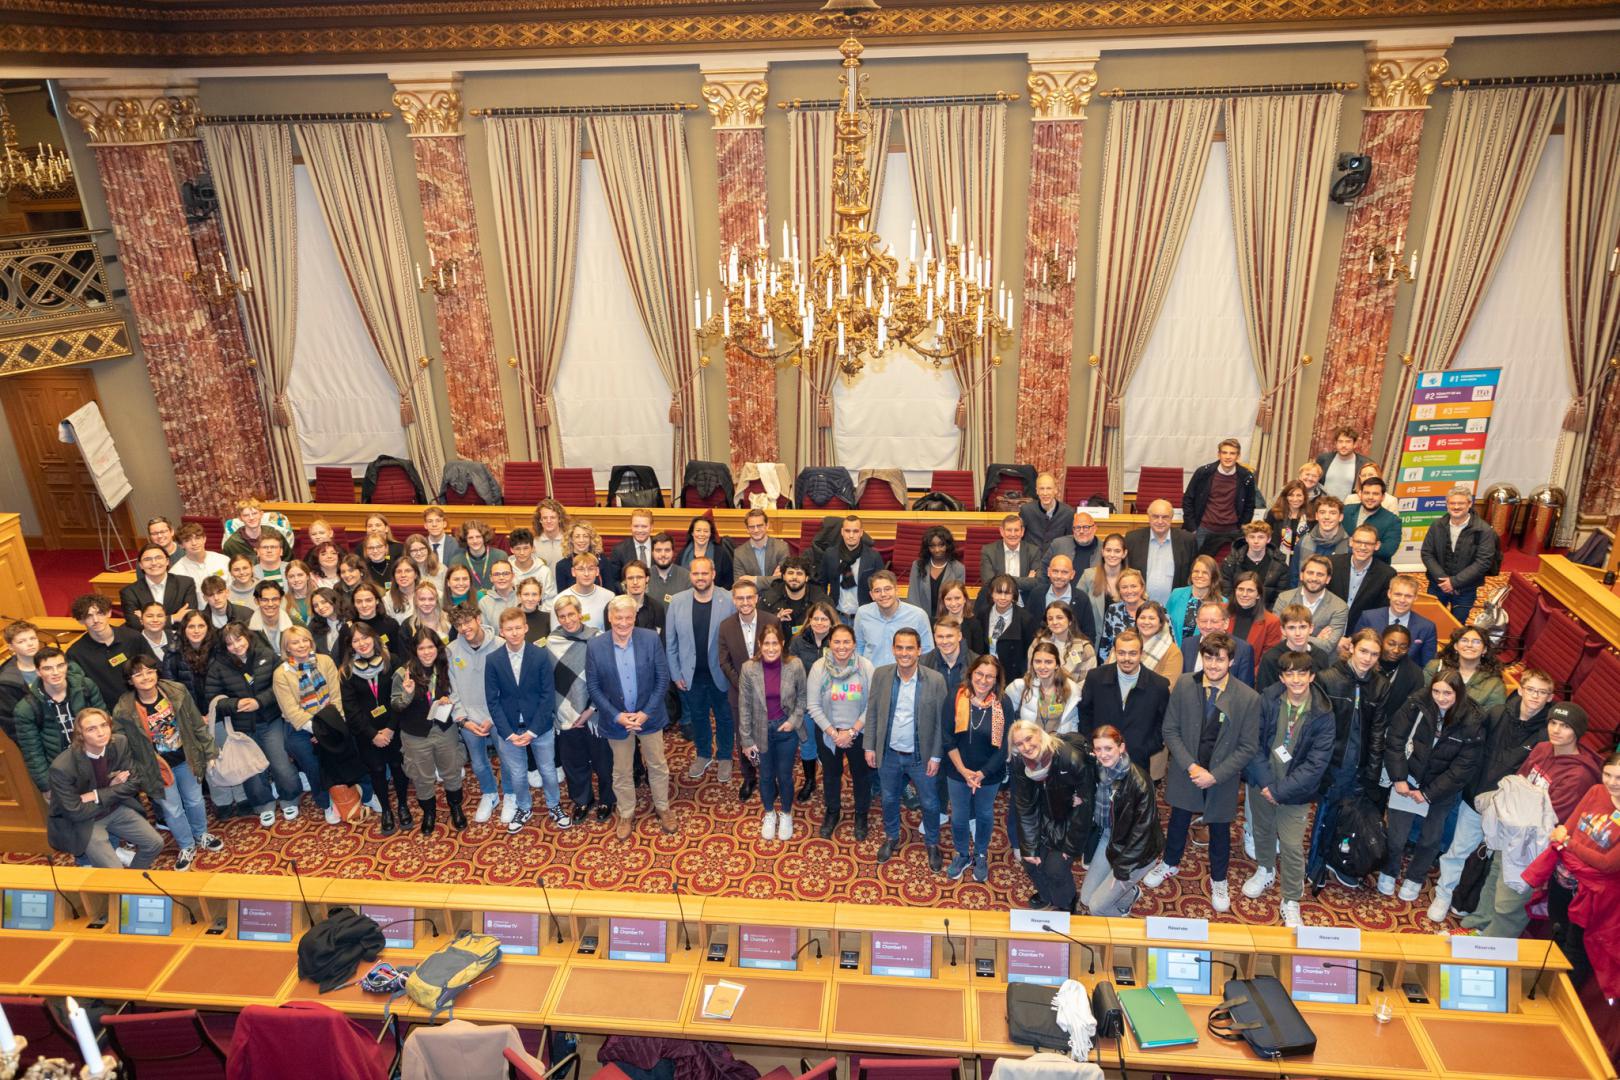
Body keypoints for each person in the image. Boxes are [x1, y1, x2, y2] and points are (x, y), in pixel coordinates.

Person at [1143, 632, 1261, 913]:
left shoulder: (1248, 698)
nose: (1213, 665)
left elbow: (1247, 747)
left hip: (1222, 776)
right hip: (1188, 769)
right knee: (1179, 820)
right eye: (1208, 658)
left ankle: (1219, 879)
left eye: (1220, 659)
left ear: (1231, 661)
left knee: (1220, 829)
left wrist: (1215, 775)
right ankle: (1170, 863)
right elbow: (1170, 730)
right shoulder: (1185, 684)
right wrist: (1191, 766)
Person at [1427, 668, 1555, 923]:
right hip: (1478, 796)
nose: (1535, 696)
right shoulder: (1497, 714)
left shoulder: (1547, 735)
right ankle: (1444, 894)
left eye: (1542, 693)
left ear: (1550, 698)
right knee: (1459, 850)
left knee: (1494, 862)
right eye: (1531, 689)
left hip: (1512, 812)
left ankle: (1475, 904)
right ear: (1520, 689)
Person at [1474, 702, 1602, 937]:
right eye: (1553, 722)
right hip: (1512, 830)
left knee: (1511, 898)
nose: (1556, 729)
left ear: (1577, 731)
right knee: (1494, 876)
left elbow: (1551, 819)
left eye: (1564, 726)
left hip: (1533, 846)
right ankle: (1482, 921)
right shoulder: (1542, 748)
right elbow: (1517, 785)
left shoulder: (1579, 775)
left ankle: (1493, 945)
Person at [1241, 651, 1334, 927]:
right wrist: (1268, 785)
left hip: (1295, 792)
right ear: (1282, 677)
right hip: (1263, 781)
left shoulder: (1323, 713)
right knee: (1262, 829)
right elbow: (1253, 743)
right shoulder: (1267, 699)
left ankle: (1291, 897)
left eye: (1301, 673)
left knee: (1293, 845)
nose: (1296, 679)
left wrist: (1280, 791)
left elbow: (1316, 764)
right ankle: (1265, 869)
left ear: (1311, 676)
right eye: (1289, 674)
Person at [1377, 668, 1485, 902]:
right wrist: (1399, 778)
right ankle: (1389, 871)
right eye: (1436, 691)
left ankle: (1414, 878)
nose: (1441, 698)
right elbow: (1395, 740)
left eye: (1448, 693)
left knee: (1429, 840)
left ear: (1459, 693)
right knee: (1396, 836)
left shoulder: (1472, 720)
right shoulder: (1416, 704)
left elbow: (1463, 767)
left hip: (1439, 791)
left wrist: (1428, 794)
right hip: (1407, 780)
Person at [111, 654, 220, 868]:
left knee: (195, 801)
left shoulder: (176, 691)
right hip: (156, 767)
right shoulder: (123, 710)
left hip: (186, 757)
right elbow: (122, 746)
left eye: (149, 671)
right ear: (130, 680)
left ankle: (201, 835)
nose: (145, 677)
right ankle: (186, 845)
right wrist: (134, 770)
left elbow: (197, 723)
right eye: (138, 674)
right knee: (172, 809)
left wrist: (209, 752)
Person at [1525, 751, 1620, 995]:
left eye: (1618, 778)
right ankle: (1544, 985)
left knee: (1576, 946)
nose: (1611, 782)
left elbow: (1608, 864)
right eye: (1608, 775)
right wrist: (1566, 839)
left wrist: (1569, 844)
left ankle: (1563, 998)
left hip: (1592, 894)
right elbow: (1568, 826)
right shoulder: (1596, 792)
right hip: (1563, 877)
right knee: (1556, 929)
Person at [585, 596, 677, 840]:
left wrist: (645, 713)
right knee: (622, 770)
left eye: (628, 617)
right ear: (609, 618)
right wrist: (617, 716)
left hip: (650, 716)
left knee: (657, 764)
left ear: (635, 617)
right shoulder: (595, 646)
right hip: (617, 722)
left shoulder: (650, 639)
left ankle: (663, 807)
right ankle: (626, 812)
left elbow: (662, 679)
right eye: (618, 617)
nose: (623, 622)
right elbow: (593, 687)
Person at [1306, 629, 1389, 888]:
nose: (1368, 658)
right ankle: (1315, 866)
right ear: (1351, 647)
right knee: (1325, 814)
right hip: (1332, 762)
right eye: (1363, 651)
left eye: (1374, 654)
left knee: (1348, 816)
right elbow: (1317, 726)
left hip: (1359, 763)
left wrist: (1373, 771)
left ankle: (1337, 860)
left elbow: (1378, 730)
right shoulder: (1328, 678)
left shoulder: (1380, 685)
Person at [865, 628, 947, 868]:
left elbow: (942, 723)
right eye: (899, 647)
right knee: (889, 799)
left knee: (930, 803)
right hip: (889, 753)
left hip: (922, 756)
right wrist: (869, 746)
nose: (904, 653)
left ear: (919, 650)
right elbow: (872, 712)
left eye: (909, 648)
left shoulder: (935, 680)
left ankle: (932, 843)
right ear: (893, 649)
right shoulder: (881, 675)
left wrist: (936, 755)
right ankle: (892, 837)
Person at [46, 707, 164, 870]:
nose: (101, 733)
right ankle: (116, 884)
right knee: (114, 870)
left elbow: (134, 783)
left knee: (155, 843)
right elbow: (75, 811)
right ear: (80, 735)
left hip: (114, 808)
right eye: (91, 729)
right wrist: (112, 788)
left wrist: (96, 794)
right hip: (87, 821)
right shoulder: (62, 767)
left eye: (104, 725)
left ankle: (134, 879)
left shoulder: (119, 742)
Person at [486, 605, 569, 832]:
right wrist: (508, 733)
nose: (513, 633)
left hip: (539, 727)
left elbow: (547, 695)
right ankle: (524, 807)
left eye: (517, 628)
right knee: (518, 775)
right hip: (509, 730)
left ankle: (554, 805)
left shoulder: (541, 655)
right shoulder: (492, 660)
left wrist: (533, 731)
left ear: (525, 628)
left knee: (548, 770)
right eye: (508, 629)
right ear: (501, 631)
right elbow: (492, 701)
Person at [272, 626, 361, 825]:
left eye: (304, 640)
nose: (301, 645)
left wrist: (327, 729)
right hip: (301, 728)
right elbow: (291, 711)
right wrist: (319, 731)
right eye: (295, 642)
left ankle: (356, 793)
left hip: (331, 722)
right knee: (313, 764)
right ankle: (325, 803)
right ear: (287, 648)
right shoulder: (281, 674)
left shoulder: (325, 661)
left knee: (347, 749)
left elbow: (336, 697)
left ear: (311, 641)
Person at [1010, 721, 1094, 913]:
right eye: (1019, 743)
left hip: (1069, 821)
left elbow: (1085, 810)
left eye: (1029, 738)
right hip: (1044, 816)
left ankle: (1067, 903)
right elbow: (1025, 807)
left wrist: (1070, 847)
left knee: (1055, 868)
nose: (1026, 746)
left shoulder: (1069, 758)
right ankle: (1048, 896)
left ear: (1039, 734)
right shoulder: (1020, 762)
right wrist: (1030, 848)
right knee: (1030, 862)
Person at [339, 621, 413, 836]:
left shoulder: (394, 661)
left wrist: (390, 729)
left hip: (394, 726)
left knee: (398, 766)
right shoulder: (346, 672)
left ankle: (402, 805)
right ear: (350, 645)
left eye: (365, 637)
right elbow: (351, 710)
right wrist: (373, 734)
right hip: (367, 733)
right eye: (356, 640)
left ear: (374, 637)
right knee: (377, 770)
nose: (362, 643)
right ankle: (387, 811)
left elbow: (401, 698)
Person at [1080, 725, 1162, 918]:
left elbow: (1142, 833)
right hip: (1110, 837)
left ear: (1121, 747)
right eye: (1098, 749)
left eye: (1108, 748)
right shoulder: (1099, 769)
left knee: (1097, 907)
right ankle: (1130, 894)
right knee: (1085, 898)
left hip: (1138, 852)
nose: (1103, 754)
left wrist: (1122, 871)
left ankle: (1122, 912)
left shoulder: (1139, 783)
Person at [391, 628, 469, 834]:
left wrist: (450, 700)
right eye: (421, 648)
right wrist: (407, 695)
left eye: (431, 647)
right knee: (421, 777)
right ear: (414, 650)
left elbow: (461, 693)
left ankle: (456, 807)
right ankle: (429, 813)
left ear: (437, 647)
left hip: (444, 729)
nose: (426, 652)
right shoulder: (403, 673)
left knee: (451, 770)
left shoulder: (447, 668)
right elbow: (396, 706)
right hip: (415, 734)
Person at [666, 556, 736, 780]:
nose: (700, 577)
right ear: (690, 575)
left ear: (713, 574)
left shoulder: (729, 599)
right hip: (690, 675)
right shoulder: (677, 601)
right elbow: (671, 642)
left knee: (725, 717)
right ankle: (704, 754)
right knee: (698, 717)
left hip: (722, 674)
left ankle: (725, 756)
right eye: (696, 573)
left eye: (705, 573)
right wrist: (675, 673)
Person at [738, 620, 808, 841]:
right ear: (759, 644)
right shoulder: (748, 669)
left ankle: (786, 814)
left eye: (775, 644)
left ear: (782, 643)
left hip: (785, 729)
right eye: (766, 643)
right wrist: (746, 741)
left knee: (785, 776)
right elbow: (745, 706)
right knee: (766, 776)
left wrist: (794, 721)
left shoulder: (794, 665)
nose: (770, 648)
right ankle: (769, 813)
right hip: (760, 730)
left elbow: (803, 698)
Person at [806, 624, 875, 840]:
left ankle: (861, 814)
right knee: (831, 774)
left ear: (854, 644)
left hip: (858, 732)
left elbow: (872, 705)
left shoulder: (865, 667)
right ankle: (832, 811)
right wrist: (834, 733)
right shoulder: (819, 667)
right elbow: (813, 705)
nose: (842, 646)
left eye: (847, 642)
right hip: (829, 733)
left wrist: (852, 732)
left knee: (861, 776)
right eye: (837, 641)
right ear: (830, 643)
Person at [1078, 629, 1172, 783]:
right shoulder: (1095, 677)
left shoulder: (1159, 685)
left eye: (1132, 653)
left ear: (1142, 653)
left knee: (1136, 806)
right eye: (1121, 653)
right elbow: (1085, 713)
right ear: (1114, 652)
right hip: (1100, 758)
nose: (1126, 658)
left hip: (1138, 761)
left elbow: (1164, 723)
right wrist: (1093, 743)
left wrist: (1145, 748)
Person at [945, 654, 1008, 883]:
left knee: (984, 814)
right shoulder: (956, 696)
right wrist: (963, 771)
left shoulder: (1004, 702)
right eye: (979, 674)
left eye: (990, 676)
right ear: (971, 673)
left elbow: (1005, 746)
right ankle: (962, 854)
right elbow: (947, 737)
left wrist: (982, 774)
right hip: (957, 770)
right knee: (959, 817)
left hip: (989, 774)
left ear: (996, 679)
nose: (983, 680)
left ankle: (981, 854)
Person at [445, 603, 508, 823]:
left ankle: (509, 794)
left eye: (467, 622)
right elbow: (451, 688)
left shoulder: (500, 645)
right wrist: (462, 719)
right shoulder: (451, 650)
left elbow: (508, 685)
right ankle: (490, 794)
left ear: (478, 619)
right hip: (469, 719)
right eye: (458, 624)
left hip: (498, 716)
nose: (464, 628)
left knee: (506, 757)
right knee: (479, 762)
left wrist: (493, 718)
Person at [14, 646, 106, 792]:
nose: (56, 672)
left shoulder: (86, 687)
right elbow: (33, 753)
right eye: (48, 668)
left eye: (60, 666)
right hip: (65, 772)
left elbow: (106, 723)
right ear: (38, 672)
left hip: (100, 761)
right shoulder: (26, 708)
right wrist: (46, 787)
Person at [719, 577, 769, 802]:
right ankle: (749, 777)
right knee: (743, 736)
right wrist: (743, 685)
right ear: (734, 600)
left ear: (757, 598)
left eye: (749, 597)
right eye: (740, 598)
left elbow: (780, 657)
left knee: (769, 735)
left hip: (770, 693)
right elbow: (724, 661)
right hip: (738, 692)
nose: (745, 602)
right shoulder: (726, 625)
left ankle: (769, 776)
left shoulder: (772, 622)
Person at [1420, 484, 1499, 623]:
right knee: (1430, 621)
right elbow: (1427, 553)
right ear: (1447, 504)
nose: (1456, 507)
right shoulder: (1436, 525)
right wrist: (1443, 580)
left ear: (1470, 504)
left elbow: (1483, 562)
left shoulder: (1484, 530)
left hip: (1465, 589)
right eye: (1452, 503)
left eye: (1461, 503)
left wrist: (1454, 582)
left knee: (1456, 625)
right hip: (1437, 586)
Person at [789, 602, 842, 801]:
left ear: (831, 621)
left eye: (824, 619)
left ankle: (831, 780)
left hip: (834, 704)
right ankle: (810, 781)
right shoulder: (797, 641)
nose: (819, 623)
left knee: (832, 744)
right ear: (809, 621)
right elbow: (791, 672)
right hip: (806, 703)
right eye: (816, 618)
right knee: (807, 743)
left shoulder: (839, 640)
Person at [1183, 438, 1257, 557]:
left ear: (1238, 456)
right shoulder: (1203, 473)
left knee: (1232, 568)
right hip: (1204, 528)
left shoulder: (1246, 477)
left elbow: (1250, 505)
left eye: (1232, 453)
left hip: (1233, 530)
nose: (1228, 457)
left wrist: (1242, 528)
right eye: (1224, 453)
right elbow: (1188, 499)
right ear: (1219, 455)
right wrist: (1192, 527)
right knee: (1198, 565)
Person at [1352, 574, 1439, 669]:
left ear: (1415, 598)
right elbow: (1356, 652)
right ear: (1389, 594)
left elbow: (1427, 666)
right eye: (1398, 594)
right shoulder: (1368, 617)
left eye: (1408, 596)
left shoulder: (1427, 627)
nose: (1402, 600)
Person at [854, 570, 934, 667]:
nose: (883, 594)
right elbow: (858, 649)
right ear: (872, 595)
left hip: (906, 677)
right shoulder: (862, 613)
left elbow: (927, 654)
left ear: (897, 590)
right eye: (877, 591)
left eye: (887, 589)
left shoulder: (918, 616)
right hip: (873, 677)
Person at [968, 574, 1039, 681]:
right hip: (986, 674)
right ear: (991, 593)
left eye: (1007, 593)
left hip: (1013, 676)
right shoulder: (983, 614)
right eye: (998, 592)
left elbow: (1028, 653)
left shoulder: (1025, 619)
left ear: (1014, 595)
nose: (1002, 598)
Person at [1125, 500, 1196, 604]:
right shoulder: (1132, 539)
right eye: (1155, 516)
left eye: (1165, 517)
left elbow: (1192, 575)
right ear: (1148, 517)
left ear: (1171, 518)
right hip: (1140, 606)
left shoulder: (1187, 541)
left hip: (1174, 606)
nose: (1160, 521)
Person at [1272, 555, 1348, 649]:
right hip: (1286, 657)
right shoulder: (1284, 599)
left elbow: (1328, 646)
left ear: (1328, 579)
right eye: (1310, 573)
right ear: (1301, 575)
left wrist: (1290, 635)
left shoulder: (1340, 607)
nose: (1314, 578)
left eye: (1320, 574)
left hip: (1320, 662)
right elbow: (1275, 635)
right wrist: (1316, 639)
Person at [1425, 625, 1507, 710]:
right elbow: (1422, 698)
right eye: (1464, 640)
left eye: (1476, 642)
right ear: (1456, 646)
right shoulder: (1436, 667)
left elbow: (1492, 716)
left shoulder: (1494, 684)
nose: (1469, 645)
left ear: (1484, 649)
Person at [1005, 641, 1080, 735]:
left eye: (1048, 662)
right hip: (1028, 745)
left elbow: (1073, 722)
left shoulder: (1072, 689)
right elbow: (1005, 714)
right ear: (1032, 663)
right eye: (1038, 661)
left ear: (1057, 665)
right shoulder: (1020, 686)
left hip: (1058, 744)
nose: (1042, 666)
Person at [818, 515, 885, 620]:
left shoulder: (873, 556)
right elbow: (822, 584)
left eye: (855, 531)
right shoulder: (830, 554)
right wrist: (825, 607)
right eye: (847, 531)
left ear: (861, 533)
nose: (851, 535)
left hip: (864, 616)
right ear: (842, 532)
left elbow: (881, 586)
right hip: (837, 615)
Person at [1328, 525, 1395, 629]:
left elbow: (1381, 613)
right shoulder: (1332, 564)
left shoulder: (1386, 575)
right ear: (1351, 542)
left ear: (1377, 545)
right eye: (1358, 542)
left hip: (1363, 632)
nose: (1363, 547)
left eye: (1368, 543)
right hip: (1329, 628)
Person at [1180, 600, 1257, 689]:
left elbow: (1245, 689)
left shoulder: (1242, 649)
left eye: (1214, 621)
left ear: (1226, 623)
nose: (1208, 626)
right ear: (1197, 622)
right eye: (1203, 621)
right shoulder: (1187, 644)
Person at [1257, 604, 1336, 687]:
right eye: (1291, 628)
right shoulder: (1271, 658)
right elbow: (1265, 694)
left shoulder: (1320, 656)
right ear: (1283, 630)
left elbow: (1323, 691)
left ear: (1311, 628)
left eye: (1303, 627)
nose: (1298, 633)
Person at [1026, 556, 1097, 644]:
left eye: (1064, 572)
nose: (1059, 576)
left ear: (1072, 574)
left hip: (1072, 653)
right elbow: (1028, 628)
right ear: (1048, 572)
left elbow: (1089, 633)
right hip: (1041, 652)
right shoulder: (1037, 594)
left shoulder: (1082, 598)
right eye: (1055, 571)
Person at [1227, 572, 1281, 682]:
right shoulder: (1222, 613)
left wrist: (1247, 679)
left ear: (1258, 594)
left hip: (1250, 681)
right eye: (1240, 589)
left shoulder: (1271, 622)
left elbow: (1267, 660)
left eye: (1250, 590)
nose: (1244, 594)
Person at [1221, 521, 1288, 608]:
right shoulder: (1231, 562)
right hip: (1237, 611)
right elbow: (1227, 593)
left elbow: (1280, 597)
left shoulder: (1279, 565)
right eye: (1252, 537)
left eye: (1261, 537)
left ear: (1268, 539)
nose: (1256, 541)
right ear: (1246, 538)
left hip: (1267, 614)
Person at [906, 526, 964, 620]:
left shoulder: (958, 568)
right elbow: (913, 597)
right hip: (920, 618)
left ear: (948, 546)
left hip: (947, 620)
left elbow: (957, 600)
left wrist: (945, 623)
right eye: (932, 546)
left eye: (941, 545)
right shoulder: (917, 565)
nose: (937, 550)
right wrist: (920, 619)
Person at [1166, 555, 1224, 649]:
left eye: (1205, 572)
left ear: (1213, 576)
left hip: (1203, 655)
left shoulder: (1222, 603)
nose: (1199, 575)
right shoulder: (1176, 594)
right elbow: (1165, 623)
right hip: (1173, 653)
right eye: (1196, 571)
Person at [1032, 601, 1097, 684]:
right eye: (1050, 619)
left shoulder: (1085, 648)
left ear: (1070, 621)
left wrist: (1070, 694)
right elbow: (1032, 674)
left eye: (1059, 617)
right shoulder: (1037, 643)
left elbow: (1088, 681)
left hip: (1075, 694)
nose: (1054, 622)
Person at [1290, 496, 1350, 584]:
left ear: (1340, 517)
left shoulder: (1350, 545)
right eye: (1322, 512)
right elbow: (1294, 576)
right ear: (1317, 516)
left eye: (1333, 513)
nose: (1327, 517)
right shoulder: (1303, 542)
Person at [1077, 532, 1128, 636]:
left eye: (1117, 551)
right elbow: (1077, 608)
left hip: (1125, 641)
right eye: (1108, 550)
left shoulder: (1134, 576)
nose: (1112, 555)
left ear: (1124, 553)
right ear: (1102, 552)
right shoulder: (1088, 576)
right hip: (1094, 639)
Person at [761, 555, 826, 635]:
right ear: (784, 576)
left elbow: (832, 628)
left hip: (811, 645)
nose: (794, 577)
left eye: (799, 573)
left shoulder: (821, 600)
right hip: (778, 645)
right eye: (790, 573)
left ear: (806, 578)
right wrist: (775, 619)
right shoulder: (768, 598)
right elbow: (758, 628)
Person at [1343, 475, 1400, 563]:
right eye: (1366, 493)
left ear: (1383, 497)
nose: (1370, 497)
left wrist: (1353, 547)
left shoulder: (1393, 521)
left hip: (1374, 569)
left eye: (1375, 494)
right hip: (1344, 564)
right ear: (1360, 494)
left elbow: (1388, 550)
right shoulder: (1345, 510)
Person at [980, 514, 1042, 595]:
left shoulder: (1033, 551)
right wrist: (1025, 580)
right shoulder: (988, 551)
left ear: (1022, 532)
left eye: (1016, 530)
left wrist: (1001, 579)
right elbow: (989, 582)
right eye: (1009, 530)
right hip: (997, 598)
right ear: (1002, 531)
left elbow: (1037, 582)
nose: (1013, 534)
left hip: (1024, 601)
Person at [1098, 569, 1149, 661]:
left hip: (1152, 668)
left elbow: (1170, 644)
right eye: (1124, 587)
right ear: (1119, 590)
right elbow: (1105, 646)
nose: (1129, 591)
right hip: (1119, 667)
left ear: (1142, 588)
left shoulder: (1156, 610)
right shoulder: (1113, 610)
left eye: (1133, 586)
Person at [221, 498, 293, 562]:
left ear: (261, 514)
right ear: (240, 518)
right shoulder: (232, 544)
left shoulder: (275, 535)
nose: (251, 518)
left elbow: (288, 560)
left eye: (255, 513)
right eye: (246, 515)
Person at [173, 523, 230, 602]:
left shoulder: (223, 560)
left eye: (197, 538)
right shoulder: (176, 573)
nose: (194, 543)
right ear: (181, 545)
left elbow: (234, 588)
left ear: (204, 539)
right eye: (187, 540)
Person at [733, 508, 791, 582]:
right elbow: (740, 584)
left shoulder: (781, 547)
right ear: (747, 529)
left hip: (776, 593)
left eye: (759, 526)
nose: (756, 530)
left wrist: (754, 580)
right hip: (752, 593)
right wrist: (771, 579)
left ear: (767, 526)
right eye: (752, 527)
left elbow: (783, 579)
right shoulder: (739, 553)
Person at [1037, 511, 1100, 580]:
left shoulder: (1105, 549)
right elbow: (1043, 569)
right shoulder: (1058, 544)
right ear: (1073, 530)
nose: (1081, 531)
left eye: (1086, 527)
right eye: (1077, 527)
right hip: (1062, 590)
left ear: (1095, 528)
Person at [676, 514, 734, 590]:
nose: (702, 534)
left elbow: (729, 581)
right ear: (692, 533)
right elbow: (676, 579)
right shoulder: (682, 554)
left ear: (710, 534)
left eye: (706, 531)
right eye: (698, 531)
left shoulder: (721, 553)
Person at [1316, 426, 1374, 501]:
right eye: (1340, 441)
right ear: (1335, 443)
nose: (1344, 445)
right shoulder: (1323, 459)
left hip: (1348, 509)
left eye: (1348, 441)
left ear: (1355, 444)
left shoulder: (1365, 464)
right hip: (1323, 507)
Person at [1018, 473, 1074, 550]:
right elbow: (1019, 538)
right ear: (1037, 491)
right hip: (1032, 559)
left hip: (1056, 559)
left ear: (1056, 490)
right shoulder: (1026, 510)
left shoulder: (1068, 512)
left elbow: (1070, 542)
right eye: (1041, 488)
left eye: (1049, 488)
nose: (1045, 493)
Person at [558, 554, 614, 629]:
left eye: (591, 569)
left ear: (597, 571)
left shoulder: (609, 597)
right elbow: (556, 635)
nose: (586, 574)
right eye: (581, 569)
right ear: (573, 572)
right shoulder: (560, 599)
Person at [554, 522, 613, 593]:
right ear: (571, 540)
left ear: (591, 539)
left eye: (585, 536)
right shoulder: (562, 565)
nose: (581, 540)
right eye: (577, 536)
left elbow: (610, 590)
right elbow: (562, 596)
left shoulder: (602, 561)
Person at [1264, 482, 1313, 566]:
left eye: (1299, 495)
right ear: (1285, 497)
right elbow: (1265, 536)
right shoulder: (1274, 514)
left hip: (1303, 562)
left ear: (1304, 497)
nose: (1295, 499)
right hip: (1276, 561)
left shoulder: (1311, 516)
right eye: (1291, 495)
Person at [249, 579, 301, 657]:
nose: (270, 604)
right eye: (264, 600)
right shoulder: (247, 629)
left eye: (274, 599)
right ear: (256, 601)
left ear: (281, 600)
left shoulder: (296, 623)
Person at [607, 508, 660, 583]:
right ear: (631, 526)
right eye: (636, 526)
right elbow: (614, 581)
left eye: (644, 526)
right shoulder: (619, 550)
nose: (640, 530)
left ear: (651, 527)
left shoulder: (660, 547)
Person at [505, 527, 556, 603]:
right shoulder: (505, 570)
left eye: (526, 548)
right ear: (512, 550)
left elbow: (550, 600)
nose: (522, 552)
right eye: (518, 549)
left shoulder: (544, 571)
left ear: (533, 548)